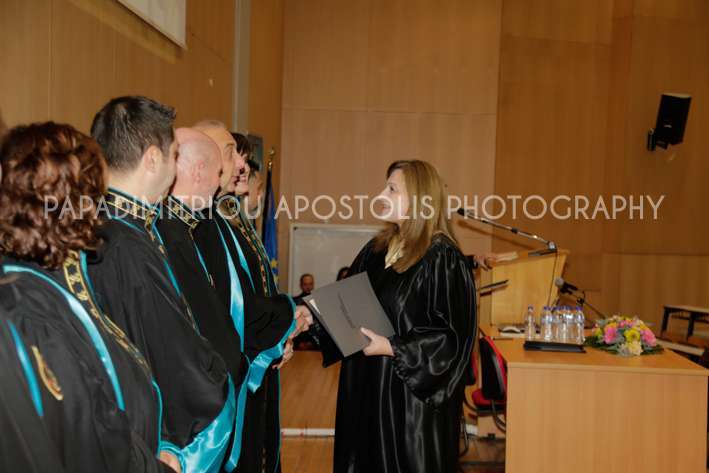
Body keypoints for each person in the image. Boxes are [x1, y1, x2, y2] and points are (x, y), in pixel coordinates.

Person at [0, 122, 178, 472]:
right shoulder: (30, 309)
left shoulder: (50, 284)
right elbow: (89, 434)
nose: (99, 212)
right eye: (96, 197)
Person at [87, 97, 234, 473]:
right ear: (153, 158)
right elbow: (169, 352)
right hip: (146, 441)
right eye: (173, 156)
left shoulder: (100, 225)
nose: (174, 169)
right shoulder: (129, 246)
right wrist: (218, 380)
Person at [310, 160, 477, 473]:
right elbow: (344, 301)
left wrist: (392, 348)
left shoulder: (442, 258)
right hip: (367, 388)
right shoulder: (376, 250)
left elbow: (452, 339)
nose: (380, 196)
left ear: (419, 198)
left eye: (391, 189)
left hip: (409, 406)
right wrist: (310, 317)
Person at [193, 123, 306, 473]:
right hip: (228, 365)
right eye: (234, 155)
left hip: (251, 350)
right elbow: (231, 303)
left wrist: (278, 333)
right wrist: (286, 318)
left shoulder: (226, 220)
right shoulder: (204, 223)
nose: (242, 167)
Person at [155, 127, 247, 470]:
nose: (219, 183)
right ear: (198, 172)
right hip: (189, 412)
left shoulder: (188, 228)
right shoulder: (167, 233)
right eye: (217, 171)